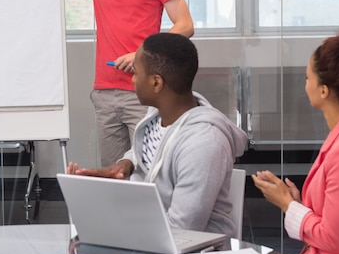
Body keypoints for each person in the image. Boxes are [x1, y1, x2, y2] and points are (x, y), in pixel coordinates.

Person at [44, 0, 195, 167]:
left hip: (144, 91)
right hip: (105, 93)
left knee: (150, 170)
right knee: (114, 174)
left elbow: (185, 25)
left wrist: (141, 56)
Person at [68, 33, 246, 236]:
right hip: (150, 236)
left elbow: (183, 231)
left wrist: (118, 231)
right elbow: (149, 151)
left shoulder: (204, 143)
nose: (133, 80)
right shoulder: (156, 118)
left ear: (156, 83)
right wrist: (126, 163)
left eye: (135, 72)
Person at [252, 27, 339, 254]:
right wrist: (296, 203)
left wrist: (288, 205)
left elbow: (333, 237)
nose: (304, 84)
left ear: (323, 91)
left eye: (307, 78)